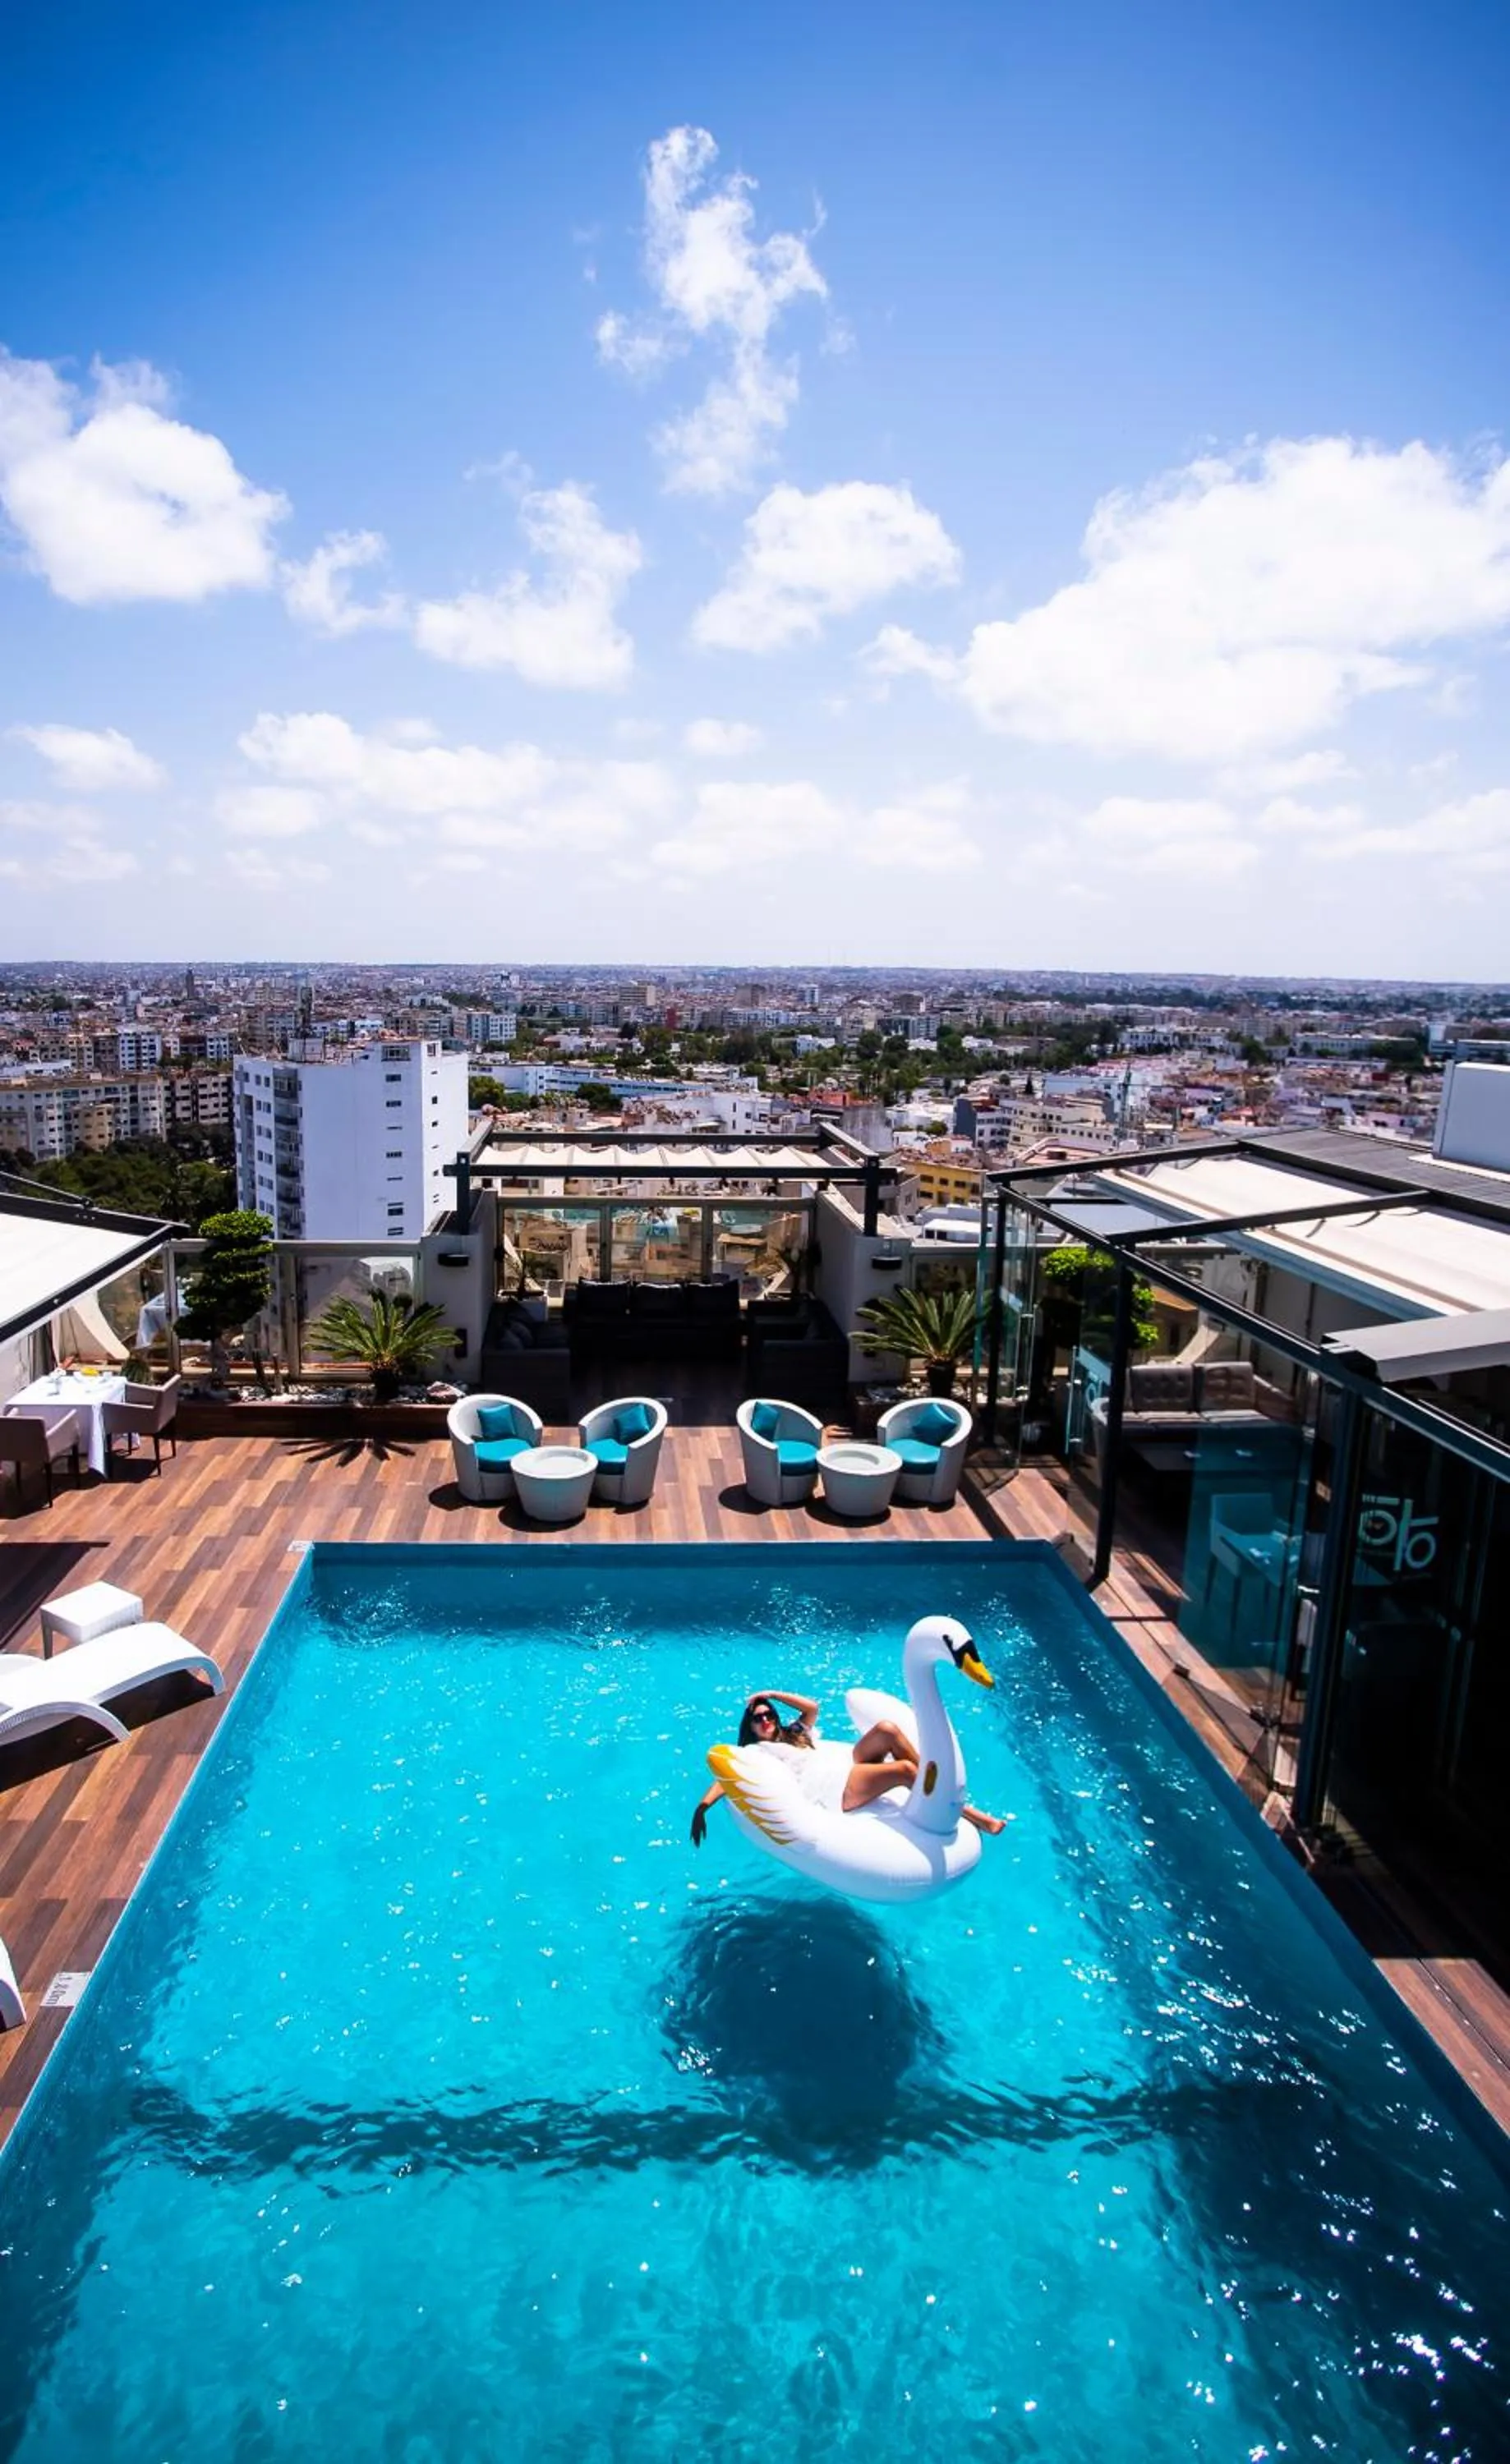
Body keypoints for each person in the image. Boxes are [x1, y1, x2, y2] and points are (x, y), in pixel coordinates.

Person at [690, 1688, 1005, 1845]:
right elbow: (727, 1776)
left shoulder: (794, 1734)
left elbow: (812, 1707)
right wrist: (703, 1807)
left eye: (769, 1714)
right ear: (750, 1726)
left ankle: (937, 1785)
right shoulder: (755, 1751)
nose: (765, 1720)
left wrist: (770, 1694)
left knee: (887, 1730)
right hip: (834, 1790)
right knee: (906, 1771)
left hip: (841, 1769)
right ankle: (970, 1813)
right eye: (758, 1718)